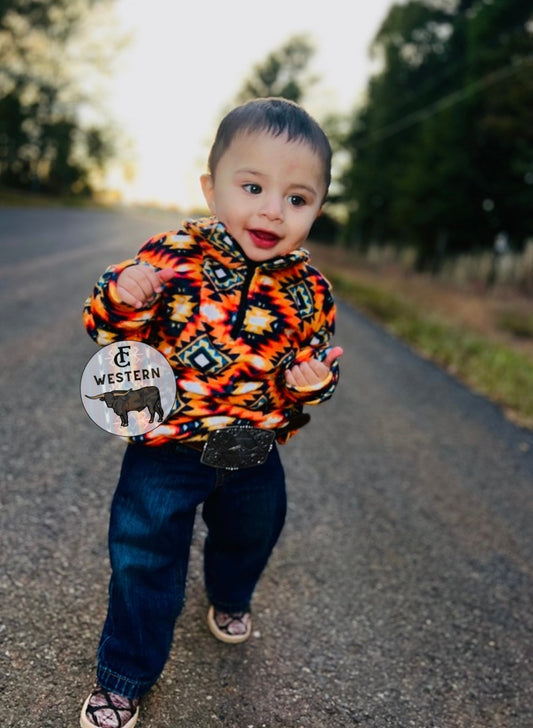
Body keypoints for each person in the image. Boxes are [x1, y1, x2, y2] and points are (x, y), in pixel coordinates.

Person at [80, 97, 343, 728]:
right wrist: (123, 296)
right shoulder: (174, 254)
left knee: (252, 532)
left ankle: (229, 593)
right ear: (212, 187)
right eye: (252, 186)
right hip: (166, 444)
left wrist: (312, 384)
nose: (272, 210)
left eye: (298, 198)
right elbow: (109, 329)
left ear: (317, 209)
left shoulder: (311, 293)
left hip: (251, 447)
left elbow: (317, 368)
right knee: (143, 555)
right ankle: (123, 677)